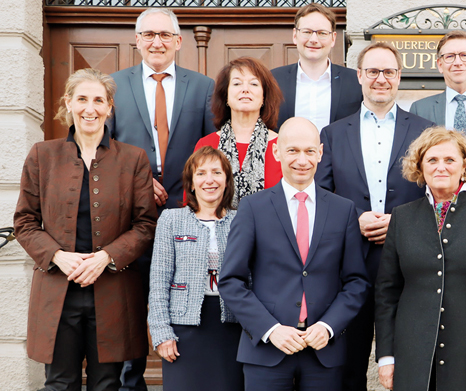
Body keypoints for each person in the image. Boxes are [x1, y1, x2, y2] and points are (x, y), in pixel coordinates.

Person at [14, 68, 157, 391]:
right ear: (68, 103)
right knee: (60, 383)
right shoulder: (42, 155)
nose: (89, 109)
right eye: (82, 99)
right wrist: (57, 256)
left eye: (98, 100)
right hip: (57, 290)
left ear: (109, 107)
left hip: (112, 290)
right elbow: (24, 221)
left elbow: (146, 225)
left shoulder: (133, 160)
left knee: (107, 384)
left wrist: (105, 257)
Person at [106, 8, 217, 389]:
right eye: (148, 34)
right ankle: (129, 382)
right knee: (130, 305)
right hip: (128, 217)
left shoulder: (202, 87)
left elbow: (210, 152)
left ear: (178, 41)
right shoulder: (113, 86)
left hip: (187, 214)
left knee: (186, 296)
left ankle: (188, 378)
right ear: (136, 40)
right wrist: (136, 182)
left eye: (165, 35)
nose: (156, 42)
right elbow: (103, 150)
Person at [315, 41, 434, 391]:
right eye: (373, 71)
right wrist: (355, 219)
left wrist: (399, 222)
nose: (380, 79)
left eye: (388, 72)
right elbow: (322, 196)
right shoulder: (334, 133)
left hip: (409, 260)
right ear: (359, 76)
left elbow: (438, 193)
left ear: (399, 77)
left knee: (410, 358)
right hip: (350, 260)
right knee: (348, 362)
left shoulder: (426, 130)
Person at [218, 117, 370, 391]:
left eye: (310, 151)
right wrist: (270, 329)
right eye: (293, 151)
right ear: (276, 151)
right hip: (267, 351)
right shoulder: (253, 208)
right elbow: (230, 281)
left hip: (323, 352)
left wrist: (328, 326)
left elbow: (357, 282)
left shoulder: (343, 210)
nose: (302, 160)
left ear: (321, 153)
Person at [375, 126, 466, 391]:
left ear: (465, 166)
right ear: (420, 166)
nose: (440, 167)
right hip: (415, 360)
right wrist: (386, 356)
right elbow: (387, 293)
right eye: (432, 160)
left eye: (449, 160)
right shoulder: (402, 217)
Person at [147, 146, 243, 391]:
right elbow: (159, 280)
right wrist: (161, 333)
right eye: (201, 173)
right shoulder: (171, 219)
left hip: (232, 328)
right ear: (190, 183)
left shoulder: (242, 220)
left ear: (226, 180)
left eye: (216, 172)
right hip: (183, 330)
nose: (209, 180)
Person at [195, 57, 283, 205]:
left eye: (254, 83)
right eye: (237, 83)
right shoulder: (206, 145)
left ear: (264, 97)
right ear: (226, 96)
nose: (245, 89)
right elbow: (191, 201)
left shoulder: (282, 146)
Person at [271, 3, 363, 131]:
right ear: (294, 35)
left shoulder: (356, 81)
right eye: (307, 32)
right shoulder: (272, 80)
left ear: (333, 38)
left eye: (322, 33)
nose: (314, 39)